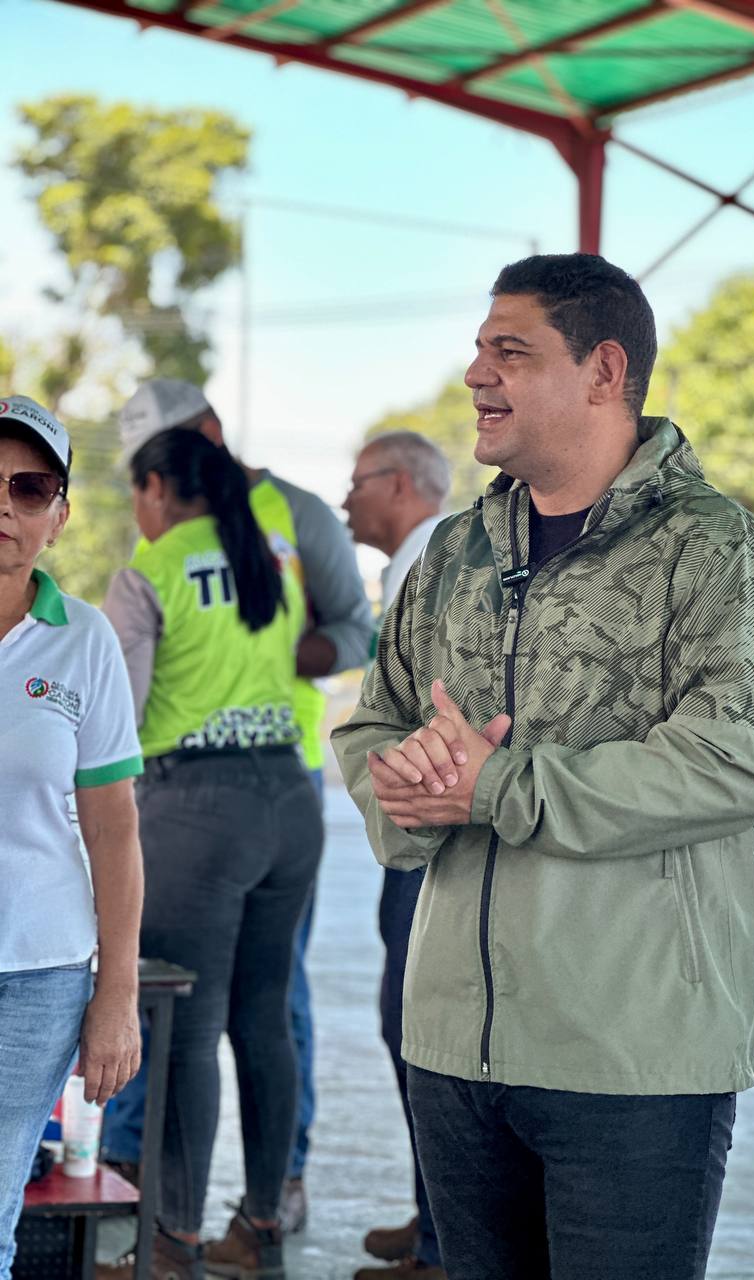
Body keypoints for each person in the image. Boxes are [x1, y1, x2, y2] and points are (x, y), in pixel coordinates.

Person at [332, 253, 754, 1280]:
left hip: (632, 1059)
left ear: (604, 370)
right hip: (454, 1051)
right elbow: (374, 724)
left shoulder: (714, 551)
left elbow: (741, 765)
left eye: (510, 351)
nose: (477, 373)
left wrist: (499, 785)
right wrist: (404, 786)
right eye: (478, 349)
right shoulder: (455, 552)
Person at [103, 380, 372, 1233]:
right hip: (290, 798)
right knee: (264, 1019)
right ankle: (263, 1225)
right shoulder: (272, 554)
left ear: (155, 488)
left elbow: (119, 717)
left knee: (186, 1032)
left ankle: (176, 1238)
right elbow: (320, 645)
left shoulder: (150, 571)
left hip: (197, 809)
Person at [0, 396, 143, 1280]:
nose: (4, 506)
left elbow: (114, 828)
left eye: (29, 488)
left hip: (37, 978)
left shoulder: (83, 639)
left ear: (58, 516)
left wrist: (115, 994)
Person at [343, 431, 450, 1280]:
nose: (346, 501)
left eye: (358, 483)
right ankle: (436, 1222)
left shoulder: (436, 565)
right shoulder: (417, 564)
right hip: (416, 832)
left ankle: (446, 1241)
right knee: (409, 1029)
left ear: (402, 484)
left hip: (434, 839)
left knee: (422, 1033)